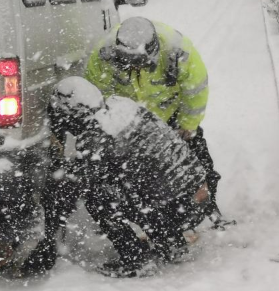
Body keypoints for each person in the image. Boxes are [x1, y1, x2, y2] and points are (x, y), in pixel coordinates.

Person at [22, 77, 211, 277]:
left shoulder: (96, 137)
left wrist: (48, 240)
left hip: (178, 209)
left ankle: (136, 260)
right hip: (198, 197)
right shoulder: (121, 105)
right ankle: (173, 244)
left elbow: (73, 191)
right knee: (132, 185)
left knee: (98, 199)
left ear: (71, 114)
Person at [84, 16, 232, 229]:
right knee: (137, 173)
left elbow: (196, 90)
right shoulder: (103, 56)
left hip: (171, 114)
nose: (134, 68)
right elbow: (98, 97)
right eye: (128, 63)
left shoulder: (177, 51)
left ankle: (209, 207)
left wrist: (188, 125)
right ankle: (157, 220)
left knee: (197, 162)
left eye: (139, 63)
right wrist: (114, 130)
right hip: (132, 123)